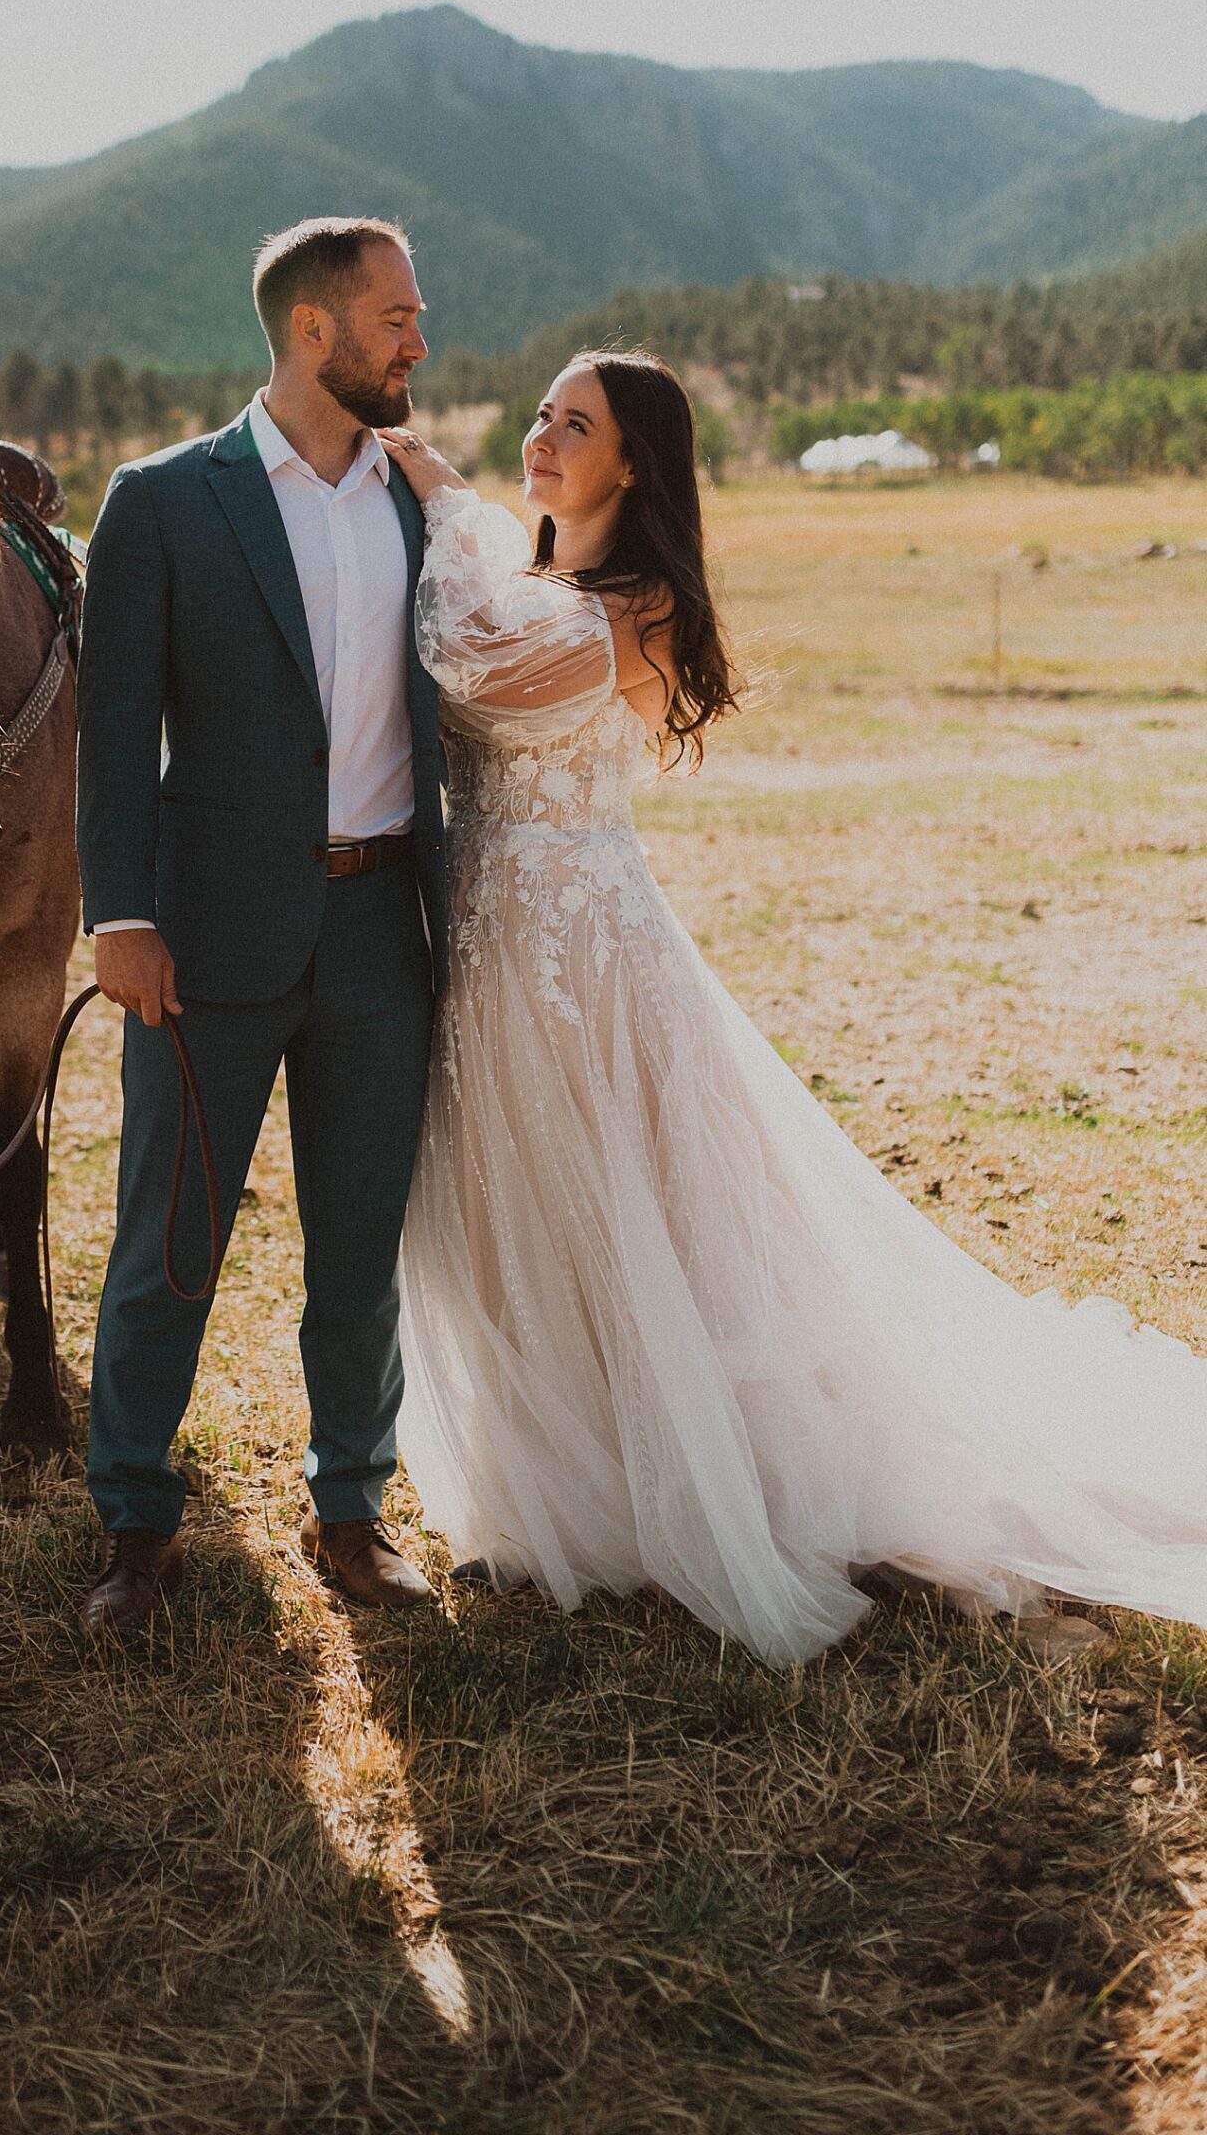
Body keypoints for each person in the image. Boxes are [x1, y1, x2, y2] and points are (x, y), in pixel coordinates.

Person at [379, 350, 1207, 1667]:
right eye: (538, 416)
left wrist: (438, 499)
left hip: (586, 962)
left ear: (633, 463)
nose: (540, 438)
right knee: (523, 1215)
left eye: (573, 425)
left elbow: (479, 670)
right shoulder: (534, 581)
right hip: (492, 952)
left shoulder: (633, 602)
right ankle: (575, 1464)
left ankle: (707, 1474)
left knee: (643, 1215)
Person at [74, 218, 448, 1631]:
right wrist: (120, 914)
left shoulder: (419, 497)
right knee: (170, 1244)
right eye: (397, 315)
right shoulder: (165, 501)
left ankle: (352, 1510)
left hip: (379, 935)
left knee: (361, 1249)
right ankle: (133, 1525)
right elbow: (114, 737)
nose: (418, 338)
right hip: (202, 942)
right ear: (313, 330)